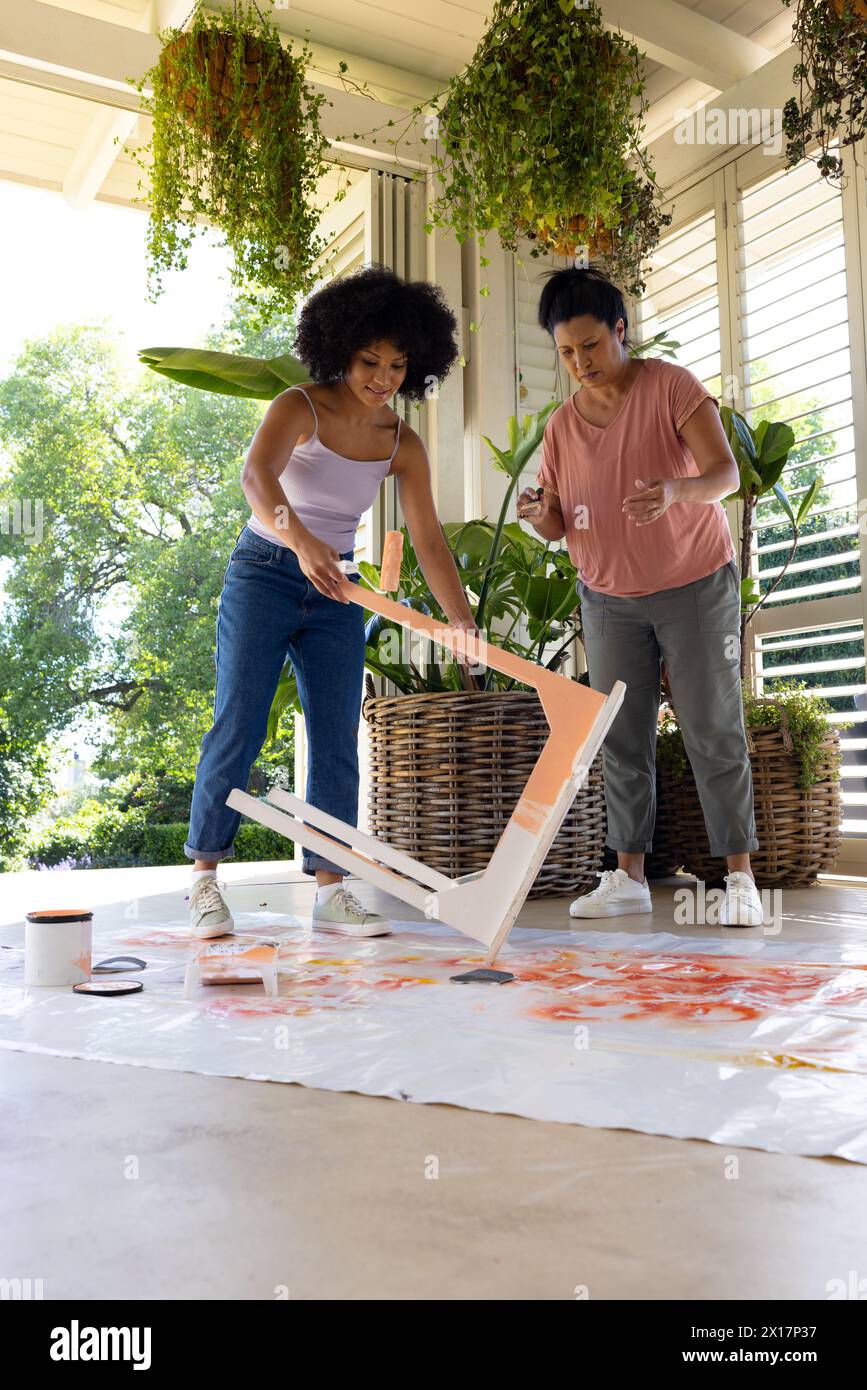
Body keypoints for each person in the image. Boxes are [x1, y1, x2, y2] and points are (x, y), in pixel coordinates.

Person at [185, 266, 477, 939]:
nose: (382, 377)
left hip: (338, 591)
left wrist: (458, 620)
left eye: (398, 364)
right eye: (368, 360)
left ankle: (330, 889)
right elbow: (255, 478)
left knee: (337, 738)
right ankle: (204, 877)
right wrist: (301, 541)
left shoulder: (401, 443)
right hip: (263, 572)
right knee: (240, 721)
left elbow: (429, 540)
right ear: (338, 349)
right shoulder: (299, 405)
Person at [517, 264, 763, 927]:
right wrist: (535, 512)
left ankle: (737, 877)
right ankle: (626, 876)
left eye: (590, 346)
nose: (579, 363)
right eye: (566, 352)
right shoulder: (561, 428)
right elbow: (556, 522)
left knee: (710, 726)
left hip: (693, 583)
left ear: (620, 331)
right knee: (622, 738)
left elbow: (724, 474)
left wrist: (674, 491)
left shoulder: (670, 387)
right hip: (607, 598)